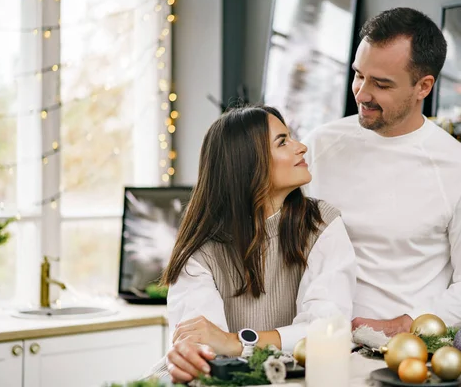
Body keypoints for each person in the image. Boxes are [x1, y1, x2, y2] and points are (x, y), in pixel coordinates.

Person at [302, 7, 461, 336]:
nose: (362, 93)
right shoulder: (317, 147)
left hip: (407, 356)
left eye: (381, 84)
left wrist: (405, 326)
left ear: (423, 86)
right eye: (358, 75)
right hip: (311, 342)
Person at [152, 105, 356, 383]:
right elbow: (204, 342)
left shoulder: (321, 223)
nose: (302, 147)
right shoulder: (201, 246)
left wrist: (238, 342)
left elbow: (326, 328)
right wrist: (195, 354)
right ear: (248, 163)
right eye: (283, 141)